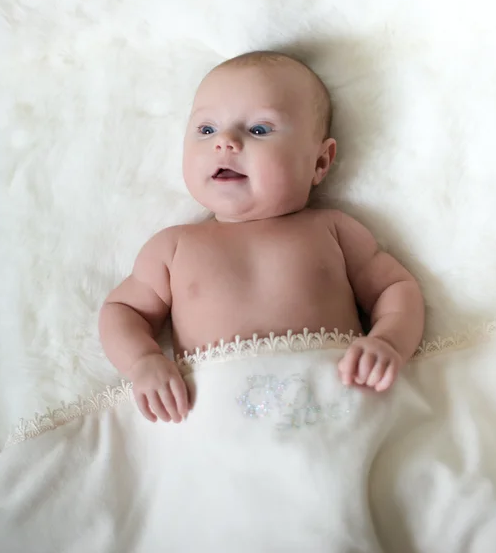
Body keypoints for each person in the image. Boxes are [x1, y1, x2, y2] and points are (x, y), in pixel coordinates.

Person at [98, 51, 425, 423]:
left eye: (258, 129)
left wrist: (388, 342)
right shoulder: (173, 247)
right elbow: (122, 310)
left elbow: (395, 288)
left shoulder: (333, 230)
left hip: (333, 406)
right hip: (216, 418)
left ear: (319, 162)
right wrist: (143, 362)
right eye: (206, 130)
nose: (225, 142)